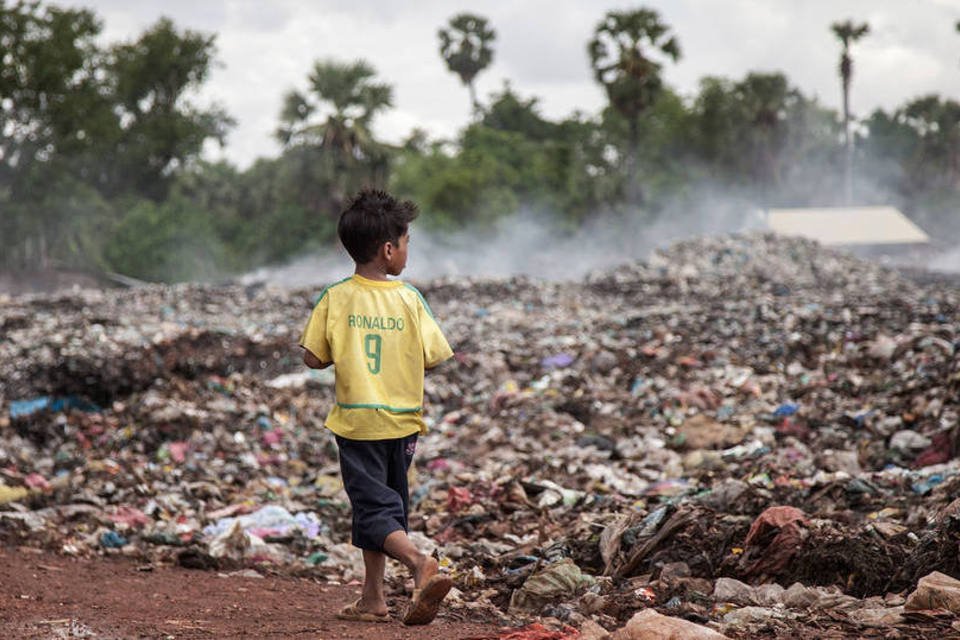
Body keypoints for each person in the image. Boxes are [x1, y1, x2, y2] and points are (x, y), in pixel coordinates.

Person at [299, 189, 455, 625]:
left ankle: (421, 563)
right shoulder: (409, 299)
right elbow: (436, 356)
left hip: (358, 421)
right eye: (406, 244)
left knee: (373, 508)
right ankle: (372, 599)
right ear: (389, 250)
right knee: (386, 507)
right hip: (403, 423)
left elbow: (312, 358)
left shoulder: (335, 297)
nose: (407, 252)